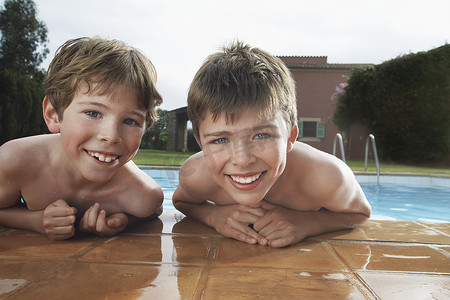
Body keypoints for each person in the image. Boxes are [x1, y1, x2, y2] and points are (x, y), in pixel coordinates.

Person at [173, 41, 371, 248]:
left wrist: (309, 222)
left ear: (290, 137)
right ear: (201, 143)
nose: (242, 160)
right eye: (220, 140)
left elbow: (360, 212)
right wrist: (213, 216)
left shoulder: (325, 175)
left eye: (261, 136)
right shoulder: (196, 174)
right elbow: (181, 201)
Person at [0, 37, 164, 241]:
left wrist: (123, 221)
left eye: (130, 121)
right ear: (53, 115)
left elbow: (154, 211)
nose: (111, 136)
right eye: (93, 113)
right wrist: (35, 220)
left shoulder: (142, 195)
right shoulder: (16, 160)